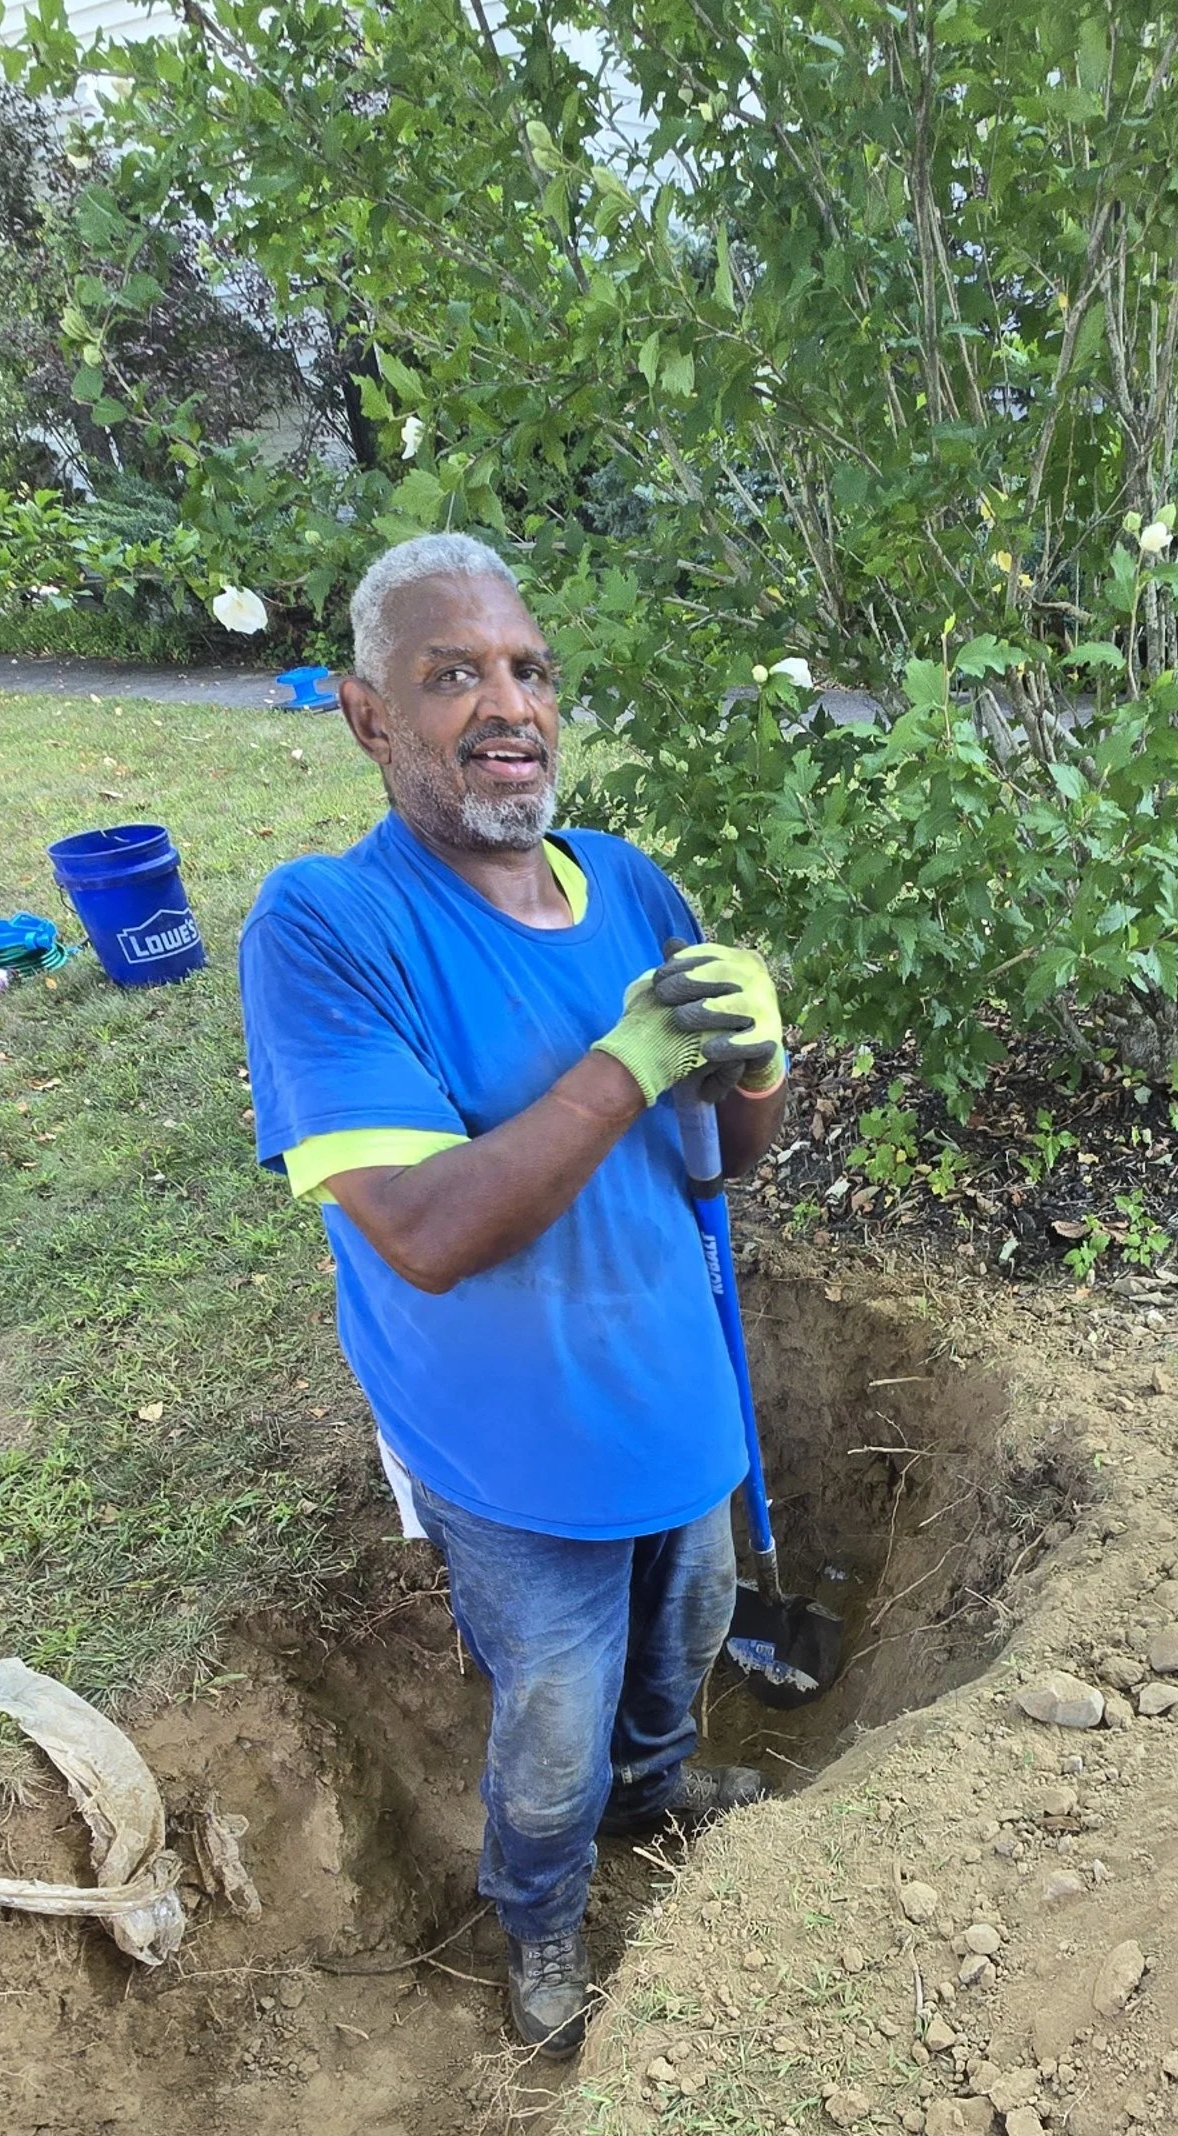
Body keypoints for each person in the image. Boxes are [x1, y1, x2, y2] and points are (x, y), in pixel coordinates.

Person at [237, 531, 790, 2055]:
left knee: (690, 1625)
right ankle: (541, 1914)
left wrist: (755, 1063)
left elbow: (724, 1155)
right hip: (507, 1437)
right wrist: (625, 1062)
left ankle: (657, 1789)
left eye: (528, 670)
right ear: (367, 716)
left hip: (673, 1379)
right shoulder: (327, 927)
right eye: (452, 675)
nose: (507, 704)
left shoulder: (630, 883)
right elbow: (422, 1230)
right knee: (553, 1714)